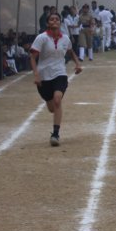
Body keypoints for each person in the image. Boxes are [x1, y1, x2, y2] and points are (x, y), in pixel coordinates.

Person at [30, 12, 83, 146]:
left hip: (60, 73)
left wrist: (77, 63)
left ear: (60, 23)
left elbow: (70, 52)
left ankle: (55, 134)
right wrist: (36, 74)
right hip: (44, 76)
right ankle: (53, 113)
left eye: (57, 19)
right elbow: (32, 57)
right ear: (48, 23)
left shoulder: (65, 39)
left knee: (58, 100)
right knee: (51, 107)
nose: (54, 21)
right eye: (52, 19)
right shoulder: (41, 38)